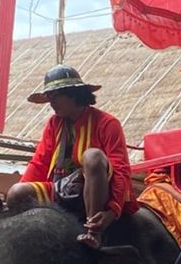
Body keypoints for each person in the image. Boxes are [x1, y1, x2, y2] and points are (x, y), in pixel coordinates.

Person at [7, 65, 133, 248]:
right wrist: (17, 193)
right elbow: (40, 162)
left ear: (74, 94)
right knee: (16, 192)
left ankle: (93, 232)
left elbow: (121, 169)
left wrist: (113, 210)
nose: (51, 103)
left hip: (94, 191)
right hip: (62, 188)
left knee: (92, 157)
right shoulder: (54, 124)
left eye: (56, 96)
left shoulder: (107, 123)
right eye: (49, 97)